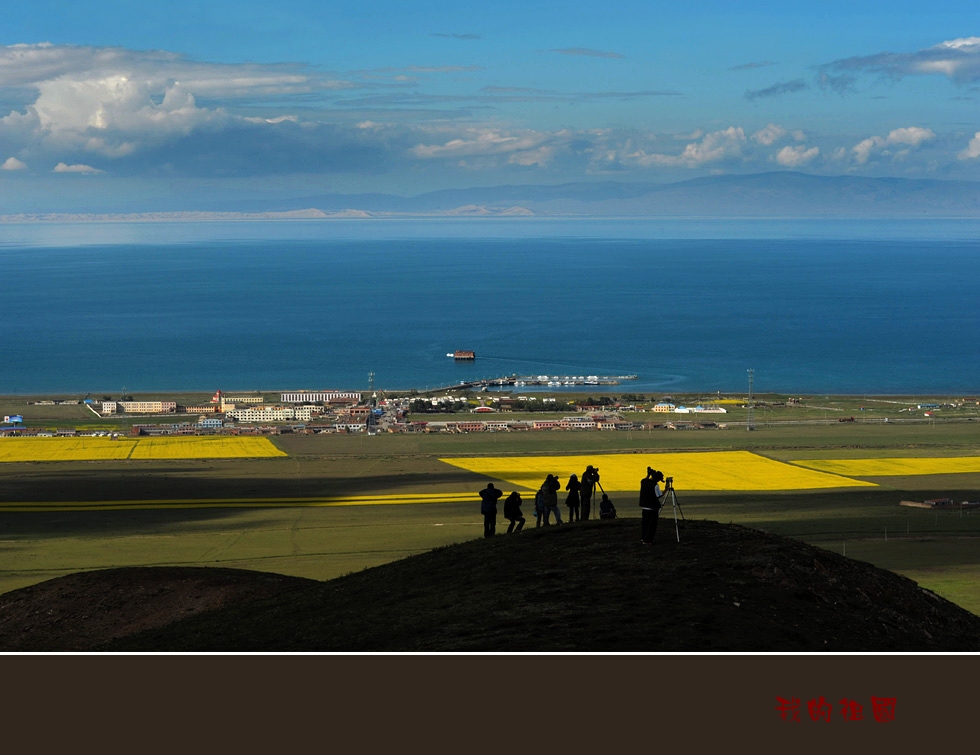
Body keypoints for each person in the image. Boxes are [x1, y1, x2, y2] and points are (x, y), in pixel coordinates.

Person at [639, 467, 664, 545]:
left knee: (645, 524)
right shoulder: (655, 485)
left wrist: (648, 475)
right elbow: (659, 495)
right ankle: (648, 540)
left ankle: (643, 538)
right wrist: (666, 489)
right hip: (653, 508)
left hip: (644, 507)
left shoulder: (644, 481)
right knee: (652, 525)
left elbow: (645, 480)